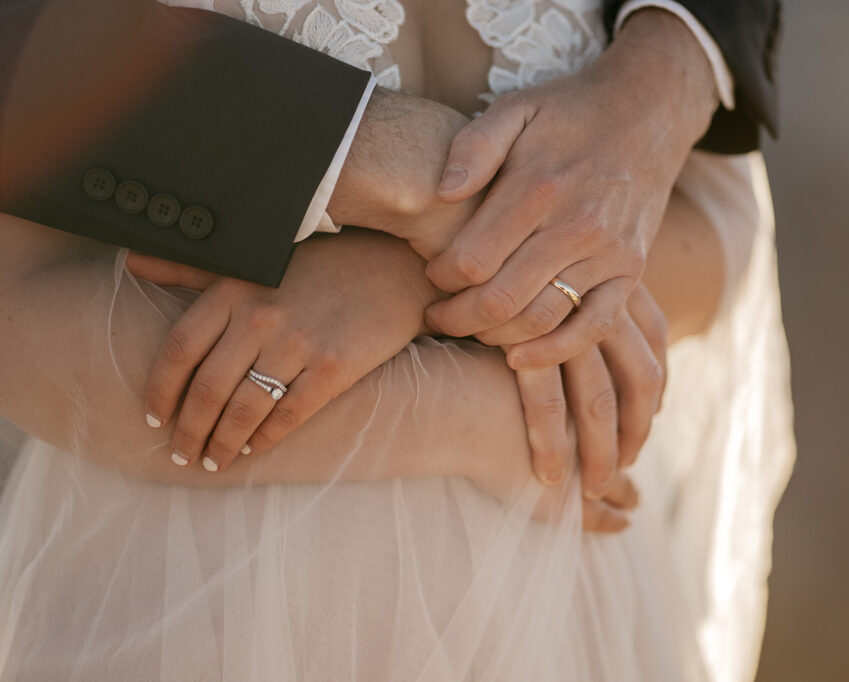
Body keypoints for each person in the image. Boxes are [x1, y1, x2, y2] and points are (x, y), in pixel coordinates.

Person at [0, 1, 793, 680]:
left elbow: (718, 223)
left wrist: (409, 278)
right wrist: (485, 423)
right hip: (200, 617)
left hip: (559, 621)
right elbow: (19, 317)